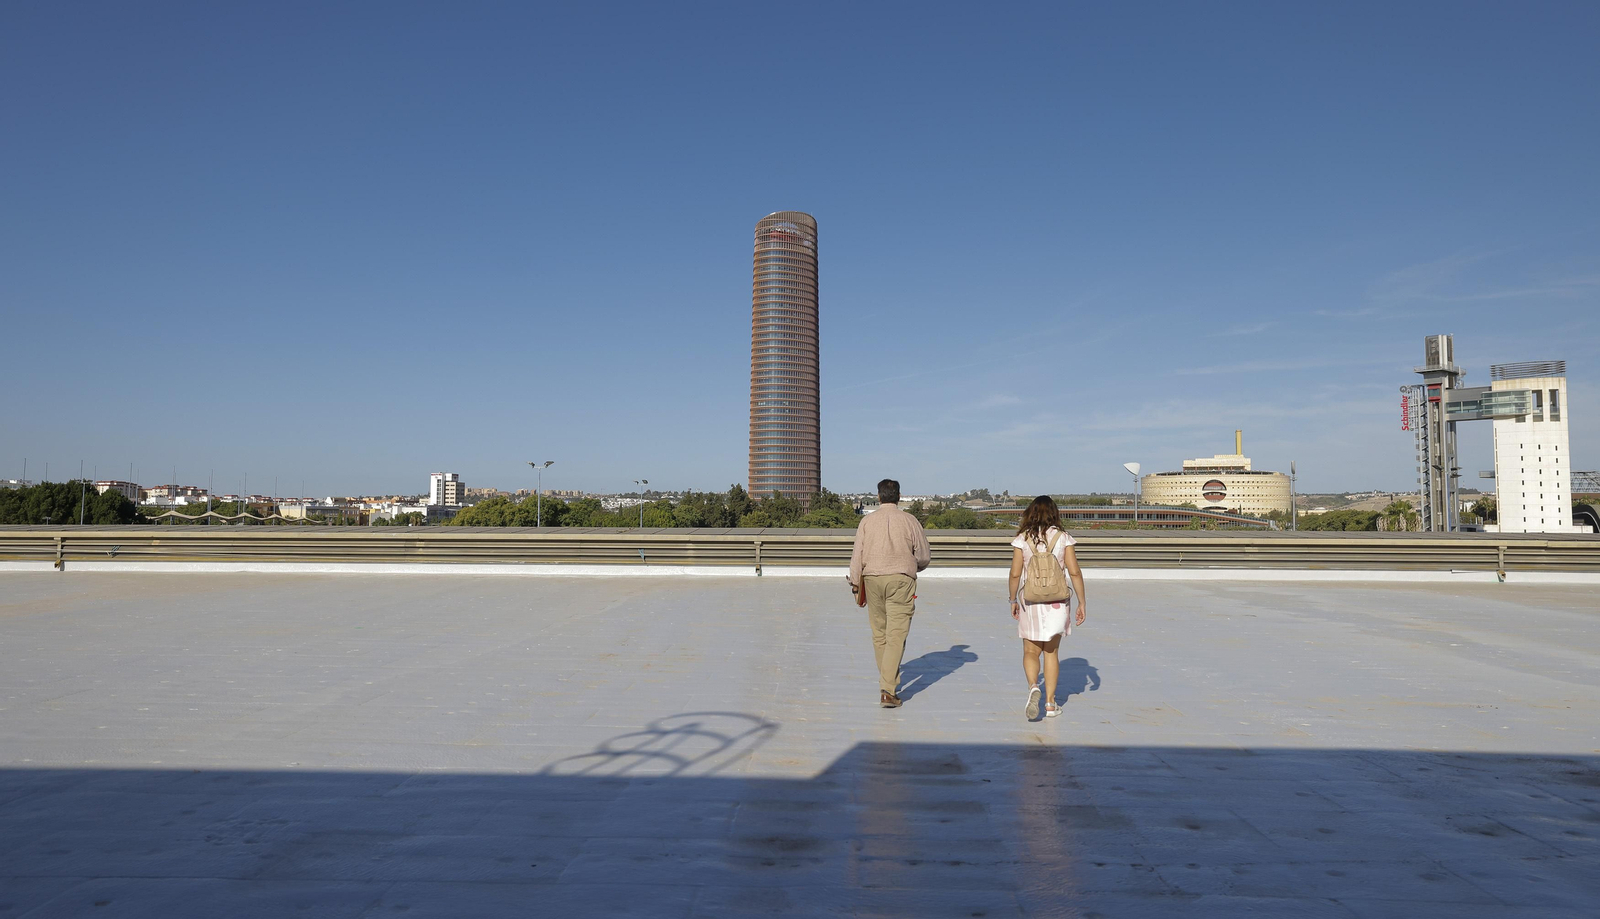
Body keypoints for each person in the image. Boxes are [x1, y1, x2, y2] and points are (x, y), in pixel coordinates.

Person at [848, 478, 932, 708]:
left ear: (879, 496)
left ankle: (887, 681)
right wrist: (914, 566)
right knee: (897, 633)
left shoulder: (867, 521)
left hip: (872, 579)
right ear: (898, 495)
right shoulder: (910, 520)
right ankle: (887, 689)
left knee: (879, 633)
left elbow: (857, 555)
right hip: (901, 580)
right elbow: (924, 555)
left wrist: (856, 583)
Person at [1008, 495, 1087, 720]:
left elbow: (1015, 573)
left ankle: (1034, 687)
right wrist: (1082, 601)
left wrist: (1012, 599)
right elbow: (1074, 572)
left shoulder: (1022, 539)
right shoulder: (1063, 538)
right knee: (1051, 652)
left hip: (1030, 601)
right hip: (1057, 603)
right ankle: (1051, 704)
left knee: (1031, 651)